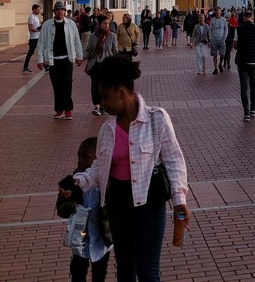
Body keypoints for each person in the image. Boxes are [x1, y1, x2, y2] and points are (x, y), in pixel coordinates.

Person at [74, 56, 188, 282]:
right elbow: (100, 167)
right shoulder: (108, 129)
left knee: (148, 270)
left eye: (105, 97)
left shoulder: (157, 119)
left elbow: (174, 160)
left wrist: (179, 200)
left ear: (122, 92)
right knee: (125, 268)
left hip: (149, 205)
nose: (102, 103)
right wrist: (79, 181)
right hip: (118, 206)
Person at [56, 137, 111, 282]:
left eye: (86, 157)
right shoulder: (72, 182)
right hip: (80, 239)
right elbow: (61, 209)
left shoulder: (106, 181)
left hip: (101, 238)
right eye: (78, 156)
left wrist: (107, 211)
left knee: (99, 272)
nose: (80, 161)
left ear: (98, 160)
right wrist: (69, 204)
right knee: (77, 271)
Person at [37, 1, 84, 120]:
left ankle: (68, 109)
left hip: (67, 59)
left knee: (67, 84)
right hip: (53, 60)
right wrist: (40, 59)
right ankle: (59, 110)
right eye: (58, 10)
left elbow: (77, 40)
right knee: (56, 86)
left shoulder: (71, 24)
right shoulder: (47, 25)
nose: (61, 12)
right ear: (54, 12)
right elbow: (41, 43)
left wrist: (79, 56)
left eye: (63, 10)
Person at [233, 10, 255, 122]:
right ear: (252, 18)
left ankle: (246, 113)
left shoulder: (239, 29)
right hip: (254, 60)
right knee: (253, 85)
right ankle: (253, 109)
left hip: (242, 60)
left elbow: (235, 45)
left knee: (244, 86)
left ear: (243, 18)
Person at [84, 16, 118, 116]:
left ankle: (104, 105)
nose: (106, 25)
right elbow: (89, 49)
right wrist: (82, 58)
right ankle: (97, 106)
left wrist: (119, 63)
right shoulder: (93, 36)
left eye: (108, 23)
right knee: (95, 85)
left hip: (107, 65)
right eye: (104, 23)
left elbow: (115, 51)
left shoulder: (112, 36)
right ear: (99, 24)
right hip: (95, 64)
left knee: (106, 86)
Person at [207, 7, 229, 74]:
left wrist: (224, 38)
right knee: (215, 55)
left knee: (222, 54)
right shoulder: (212, 20)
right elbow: (210, 29)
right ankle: (215, 68)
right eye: (216, 12)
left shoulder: (223, 20)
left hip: (222, 39)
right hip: (214, 39)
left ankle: (220, 64)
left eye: (218, 12)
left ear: (220, 12)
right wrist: (210, 38)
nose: (217, 13)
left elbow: (226, 29)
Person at [23, 4, 42, 73]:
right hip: (33, 38)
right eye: (38, 9)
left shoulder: (36, 17)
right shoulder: (31, 17)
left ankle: (46, 66)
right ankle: (25, 67)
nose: (39, 11)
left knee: (42, 50)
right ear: (34, 9)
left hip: (37, 37)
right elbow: (31, 28)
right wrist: (38, 29)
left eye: (39, 9)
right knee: (30, 53)